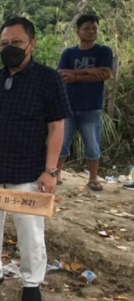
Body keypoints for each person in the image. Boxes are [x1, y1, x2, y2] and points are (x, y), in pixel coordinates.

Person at [0, 17, 71, 301]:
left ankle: (31, 283)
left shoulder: (48, 80)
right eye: (4, 43)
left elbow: (56, 127)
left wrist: (50, 170)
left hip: (28, 170)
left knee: (30, 230)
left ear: (32, 44)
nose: (9, 48)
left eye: (16, 42)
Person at [57, 14, 113, 191]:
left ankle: (93, 178)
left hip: (91, 107)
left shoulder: (104, 51)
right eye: (86, 28)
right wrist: (90, 73)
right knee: (61, 142)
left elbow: (105, 74)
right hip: (68, 105)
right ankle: (55, 174)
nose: (91, 32)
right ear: (78, 32)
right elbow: (62, 74)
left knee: (92, 144)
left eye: (94, 28)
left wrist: (75, 76)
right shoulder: (69, 53)